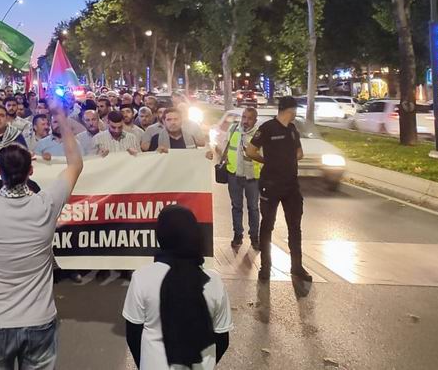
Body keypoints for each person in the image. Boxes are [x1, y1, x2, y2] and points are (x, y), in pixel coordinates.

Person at [0, 98, 83, 370]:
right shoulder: (46, 205)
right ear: (31, 172)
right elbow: (75, 164)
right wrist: (61, 117)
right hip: (39, 322)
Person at [122, 205, 231, 370]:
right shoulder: (213, 281)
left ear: (160, 236)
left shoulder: (142, 278)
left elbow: (133, 335)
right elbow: (222, 339)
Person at [246, 97, 311, 282]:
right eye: (296, 110)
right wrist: (268, 162)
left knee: (295, 227)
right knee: (267, 226)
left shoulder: (292, 129)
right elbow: (250, 151)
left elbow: (300, 153)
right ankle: (265, 268)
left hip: (291, 186)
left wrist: (285, 160)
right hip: (270, 185)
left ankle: (297, 267)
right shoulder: (267, 128)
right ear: (291, 110)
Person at [222, 107, 262, 250]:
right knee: (236, 207)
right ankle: (238, 235)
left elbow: (263, 156)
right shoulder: (233, 129)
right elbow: (225, 147)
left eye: (249, 118)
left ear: (255, 120)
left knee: (253, 208)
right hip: (234, 174)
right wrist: (224, 157)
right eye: (244, 117)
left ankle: (255, 237)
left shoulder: (259, 134)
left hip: (252, 177)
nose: (246, 121)